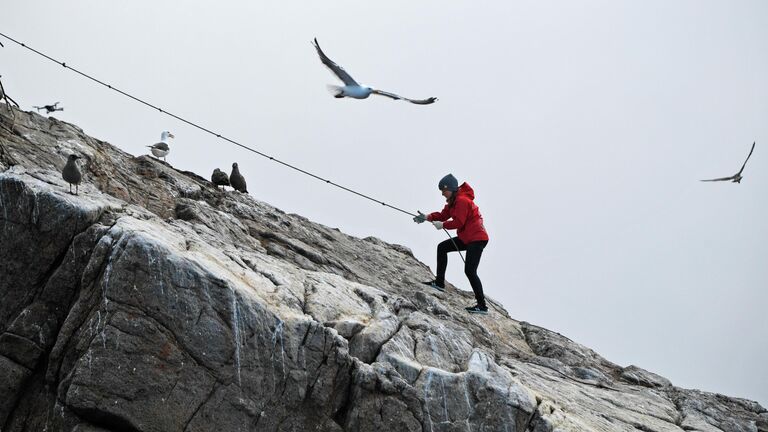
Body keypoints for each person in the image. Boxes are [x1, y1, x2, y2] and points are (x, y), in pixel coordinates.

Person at [414, 174, 490, 314]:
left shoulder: (462, 201)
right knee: (442, 247)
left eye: (443, 190)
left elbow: (458, 222)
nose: (442, 193)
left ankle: (482, 306)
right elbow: (443, 215)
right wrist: (427, 217)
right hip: (467, 237)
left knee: (470, 271)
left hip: (477, 239)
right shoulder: (453, 202)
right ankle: (439, 283)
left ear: (451, 189)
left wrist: (442, 225)